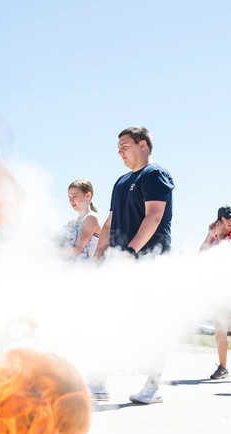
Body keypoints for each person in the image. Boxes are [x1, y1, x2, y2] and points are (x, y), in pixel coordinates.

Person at [93, 126, 175, 405]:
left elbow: (153, 217)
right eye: (118, 147)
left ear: (143, 145)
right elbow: (110, 222)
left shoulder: (155, 175)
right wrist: (99, 256)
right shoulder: (120, 181)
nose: (119, 152)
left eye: (125, 145)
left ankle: (152, 386)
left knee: (153, 324)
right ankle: (99, 381)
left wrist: (130, 251)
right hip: (122, 262)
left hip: (150, 263)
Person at [200, 206, 231, 383]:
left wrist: (220, 236)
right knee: (220, 330)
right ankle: (222, 367)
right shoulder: (213, 237)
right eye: (228, 218)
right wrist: (209, 234)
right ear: (220, 219)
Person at [63, 179, 101, 259]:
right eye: (69, 197)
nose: (71, 200)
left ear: (88, 196)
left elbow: (77, 249)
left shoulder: (91, 218)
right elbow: (67, 250)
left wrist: (50, 250)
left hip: (84, 270)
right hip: (67, 269)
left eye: (75, 196)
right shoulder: (71, 223)